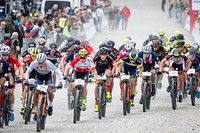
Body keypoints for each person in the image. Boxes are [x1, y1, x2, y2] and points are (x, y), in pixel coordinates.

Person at [25, 53, 63, 120]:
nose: (40, 64)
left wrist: (60, 82)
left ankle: (50, 105)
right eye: (39, 63)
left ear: (45, 61)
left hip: (48, 77)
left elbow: (58, 72)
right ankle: (37, 110)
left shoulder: (49, 63)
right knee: (36, 92)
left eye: (41, 63)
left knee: (50, 91)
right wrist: (26, 80)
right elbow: (28, 72)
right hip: (39, 77)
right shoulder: (34, 63)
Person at [1, 45, 24, 121]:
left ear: (9, 54)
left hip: (11, 73)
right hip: (3, 73)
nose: (5, 56)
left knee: (11, 92)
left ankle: (11, 111)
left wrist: (20, 77)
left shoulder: (12, 57)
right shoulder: (1, 59)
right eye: (3, 55)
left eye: (6, 55)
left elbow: (20, 67)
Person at [93, 47, 115, 112]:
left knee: (108, 74)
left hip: (106, 68)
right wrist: (94, 75)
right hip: (98, 69)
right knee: (97, 85)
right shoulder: (96, 57)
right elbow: (92, 66)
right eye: (102, 55)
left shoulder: (109, 57)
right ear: (100, 55)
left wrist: (113, 73)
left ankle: (108, 92)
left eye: (104, 55)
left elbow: (114, 66)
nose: (103, 57)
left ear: (106, 55)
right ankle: (96, 103)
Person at [0, 52, 14, 121]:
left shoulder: (5, 63)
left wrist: (11, 84)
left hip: (3, 75)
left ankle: (2, 102)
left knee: (1, 84)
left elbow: (10, 75)